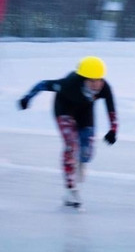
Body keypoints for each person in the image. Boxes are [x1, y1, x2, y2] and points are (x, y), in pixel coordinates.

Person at [17, 56, 118, 208]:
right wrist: (27, 98)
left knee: (86, 154)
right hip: (64, 110)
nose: (96, 85)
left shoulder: (104, 87)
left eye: (99, 80)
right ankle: (71, 190)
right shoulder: (68, 84)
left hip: (85, 113)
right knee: (71, 145)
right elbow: (43, 84)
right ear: (82, 79)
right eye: (91, 81)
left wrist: (113, 130)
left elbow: (111, 108)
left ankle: (80, 163)